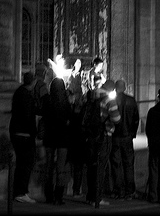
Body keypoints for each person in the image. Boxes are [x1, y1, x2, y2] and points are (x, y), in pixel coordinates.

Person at [84, 80, 121, 207]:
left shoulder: (92, 97)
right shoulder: (109, 100)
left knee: (91, 167)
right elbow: (116, 119)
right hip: (104, 136)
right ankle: (97, 199)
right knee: (100, 168)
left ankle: (90, 196)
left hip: (91, 136)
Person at [43, 72, 73, 205]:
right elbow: (69, 119)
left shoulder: (47, 100)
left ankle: (48, 196)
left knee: (49, 167)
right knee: (61, 167)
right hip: (62, 138)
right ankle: (58, 196)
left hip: (50, 137)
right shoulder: (64, 102)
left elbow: (45, 117)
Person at [9, 72, 38, 204]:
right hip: (24, 135)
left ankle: (20, 191)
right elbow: (28, 117)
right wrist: (34, 133)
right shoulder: (26, 96)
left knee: (22, 163)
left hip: (17, 132)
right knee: (25, 164)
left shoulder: (19, 93)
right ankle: (20, 192)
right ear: (32, 82)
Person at [109, 79, 139, 200]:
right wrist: (132, 133)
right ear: (125, 88)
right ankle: (130, 191)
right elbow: (136, 119)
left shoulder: (112, 101)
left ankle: (118, 191)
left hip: (115, 136)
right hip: (127, 136)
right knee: (128, 164)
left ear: (116, 88)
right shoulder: (131, 100)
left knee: (116, 164)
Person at [65, 58, 88, 197]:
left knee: (77, 166)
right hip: (77, 142)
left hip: (75, 141)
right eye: (77, 64)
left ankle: (75, 189)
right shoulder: (71, 74)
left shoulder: (82, 75)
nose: (78, 66)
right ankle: (75, 189)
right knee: (77, 165)